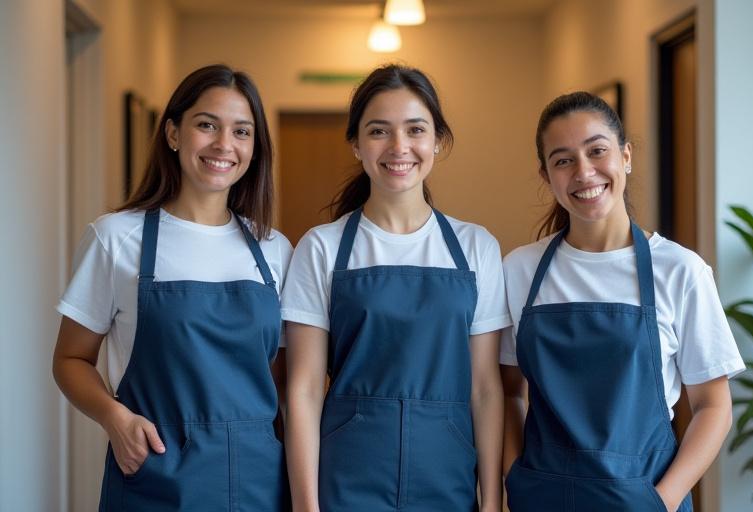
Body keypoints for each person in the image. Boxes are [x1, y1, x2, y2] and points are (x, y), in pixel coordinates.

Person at [52, 64, 292, 511]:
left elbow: (284, 379)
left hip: (258, 479)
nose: (224, 144)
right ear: (173, 133)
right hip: (156, 477)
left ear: (255, 148)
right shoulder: (116, 238)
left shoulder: (274, 249)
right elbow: (70, 359)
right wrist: (115, 418)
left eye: (242, 131)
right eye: (207, 125)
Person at [500, 91, 745, 511]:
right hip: (542, 499)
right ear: (546, 176)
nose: (584, 172)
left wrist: (659, 502)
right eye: (563, 160)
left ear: (625, 156)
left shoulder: (680, 271)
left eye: (597, 151)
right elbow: (508, 393)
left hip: (644, 500)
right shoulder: (518, 270)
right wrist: (514, 481)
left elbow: (713, 406)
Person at [282, 64, 510, 512]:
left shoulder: (475, 247)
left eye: (415, 130)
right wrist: (306, 507)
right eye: (379, 131)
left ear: (438, 141)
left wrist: (491, 501)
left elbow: (485, 388)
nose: (399, 147)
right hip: (346, 478)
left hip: (447, 479)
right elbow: (304, 389)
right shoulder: (322, 248)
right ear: (356, 144)